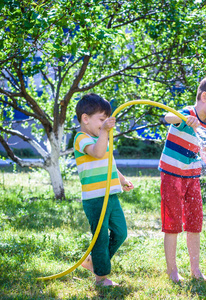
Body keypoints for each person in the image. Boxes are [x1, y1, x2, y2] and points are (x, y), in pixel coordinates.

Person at [158, 75, 206, 282]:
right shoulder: (187, 113)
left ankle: (195, 270)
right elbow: (167, 117)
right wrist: (183, 119)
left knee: (194, 224)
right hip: (172, 175)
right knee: (172, 224)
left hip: (193, 177)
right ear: (204, 96)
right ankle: (172, 270)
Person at [74, 93, 134, 286]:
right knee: (99, 237)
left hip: (110, 195)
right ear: (85, 118)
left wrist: (122, 180)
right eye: (101, 119)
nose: (104, 123)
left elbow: (109, 163)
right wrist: (104, 133)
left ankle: (93, 261)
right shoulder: (81, 138)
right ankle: (101, 277)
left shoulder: (101, 138)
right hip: (95, 198)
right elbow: (98, 153)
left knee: (121, 232)